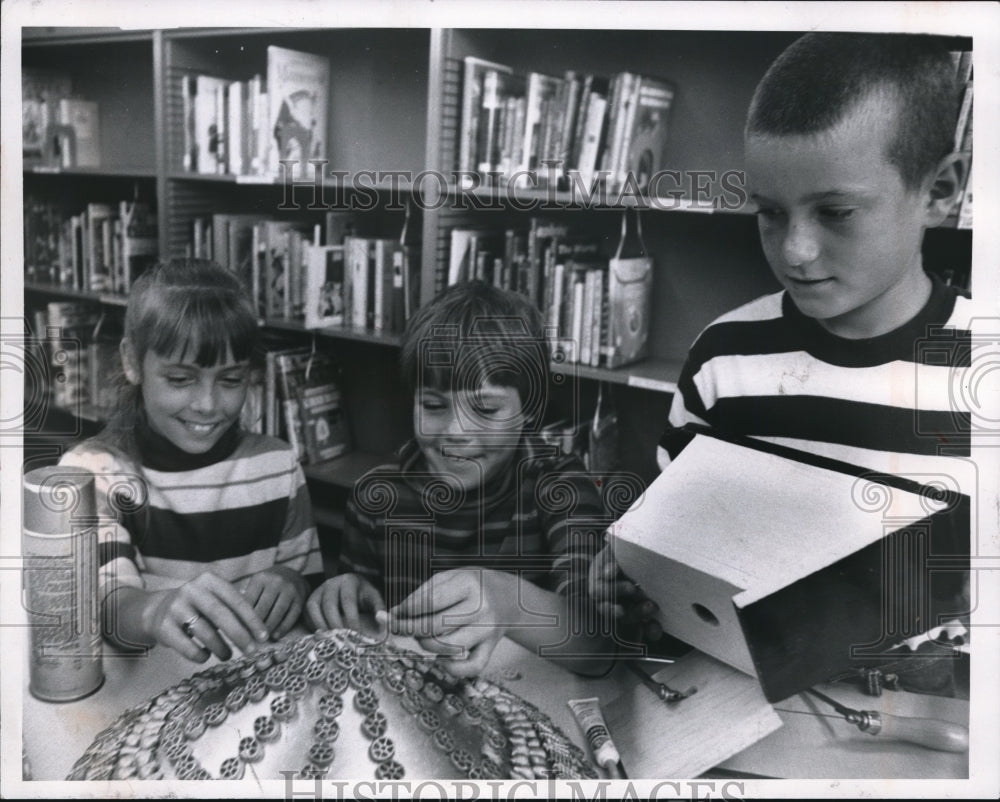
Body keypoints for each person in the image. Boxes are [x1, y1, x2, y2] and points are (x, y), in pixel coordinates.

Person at [591, 33, 974, 687]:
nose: (795, 250)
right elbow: (669, 556)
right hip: (728, 700)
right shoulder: (722, 359)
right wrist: (626, 579)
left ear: (940, 189)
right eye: (770, 213)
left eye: (836, 212)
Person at [306, 280, 614, 677]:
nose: (455, 430)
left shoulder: (560, 488)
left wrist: (509, 602)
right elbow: (368, 624)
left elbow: (597, 644)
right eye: (433, 405)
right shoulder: (376, 497)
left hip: (536, 705)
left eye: (485, 409)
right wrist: (347, 594)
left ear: (529, 411)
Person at [59, 259, 324, 663]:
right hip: (147, 693)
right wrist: (154, 609)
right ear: (132, 361)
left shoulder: (279, 465)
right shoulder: (91, 473)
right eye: (180, 380)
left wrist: (292, 584)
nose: (207, 405)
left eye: (231, 380)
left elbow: (306, 584)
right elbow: (104, 603)